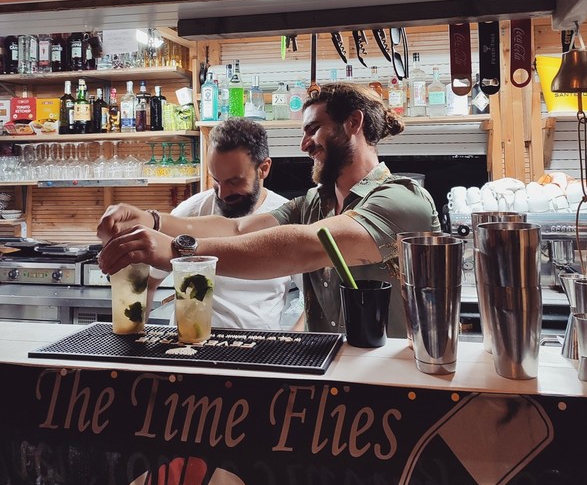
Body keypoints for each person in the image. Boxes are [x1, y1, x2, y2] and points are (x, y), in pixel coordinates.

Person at [98, 83, 440, 336]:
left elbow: (306, 247)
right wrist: (152, 219)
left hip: (391, 377)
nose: (304, 145)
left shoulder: (401, 200)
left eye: (313, 129)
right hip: (328, 373)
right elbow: (237, 228)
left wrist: (177, 251)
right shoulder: (313, 204)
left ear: (353, 122)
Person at [168, 118, 301, 330]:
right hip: (189, 344)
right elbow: (147, 280)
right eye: (216, 180)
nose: (222, 193)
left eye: (234, 181)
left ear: (263, 168)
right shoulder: (190, 212)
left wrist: (292, 342)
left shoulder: (290, 219)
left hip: (261, 346)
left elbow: (315, 299)